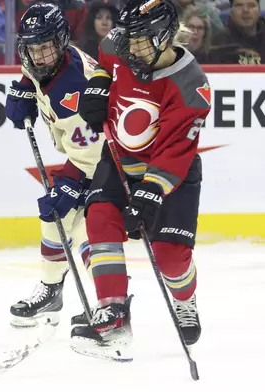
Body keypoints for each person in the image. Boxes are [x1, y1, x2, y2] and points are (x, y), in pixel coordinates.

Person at [72, 0, 210, 360]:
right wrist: (99, 85)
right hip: (118, 159)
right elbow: (105, 58)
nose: (132, 48)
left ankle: (185, 299)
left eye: (142, 41)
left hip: (168, 173)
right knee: (99, 216)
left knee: (170, 258)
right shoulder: (121, 43)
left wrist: (151, 193)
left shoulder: (190, 83)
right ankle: (113, 312)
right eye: (129, 39)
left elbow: (176, 149)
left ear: (164, 36)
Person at [5, 3, 104, 328]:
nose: (41, 56)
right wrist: (24, 86)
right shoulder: (50, 60)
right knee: (55, 214)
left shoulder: (73, 91)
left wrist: (76, 186)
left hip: (108, 161)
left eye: (47, 47)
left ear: (60, 41)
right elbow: (33, 68)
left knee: (90, 230)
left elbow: (97, 154)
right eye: (34, 49)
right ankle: (51, 289)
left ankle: (108, 304)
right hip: (84, 155)